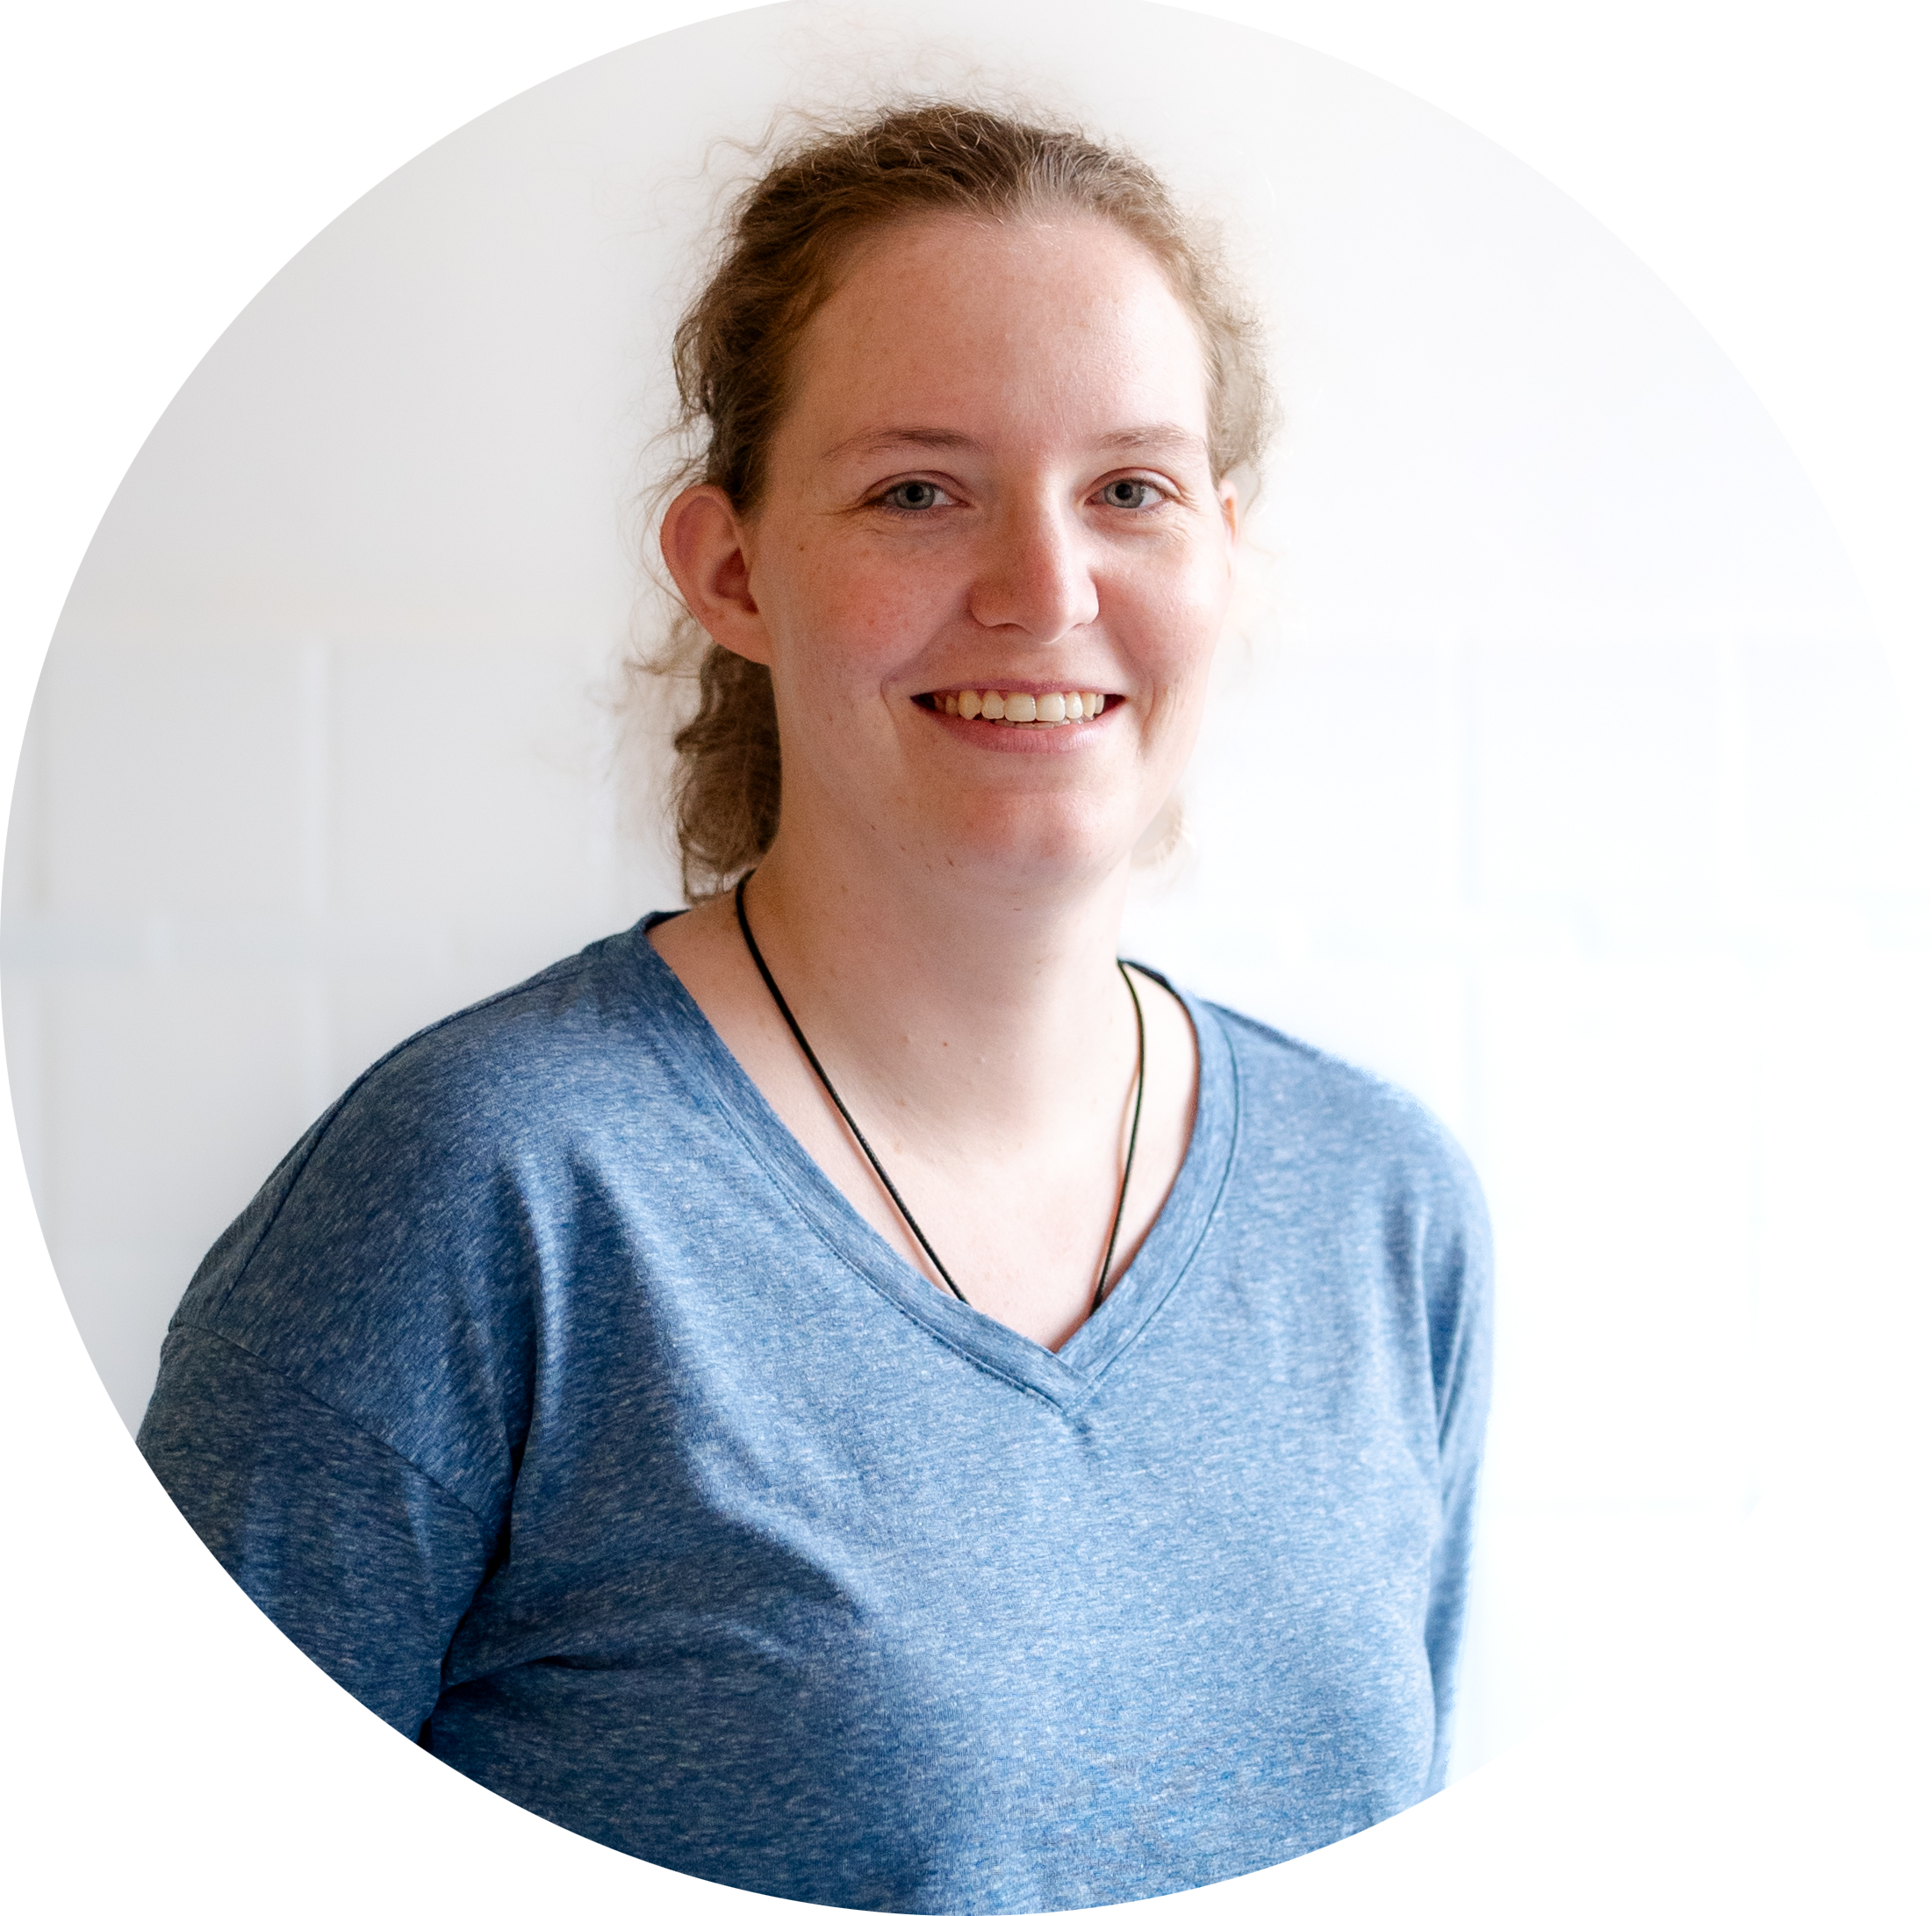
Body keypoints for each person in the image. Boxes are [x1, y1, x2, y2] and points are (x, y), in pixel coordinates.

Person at [138, 103, 1492, 1913]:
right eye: (917, 491)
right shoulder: (494, 1183)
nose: (1044, 590)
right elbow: (161, 1837)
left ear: (1220, 557)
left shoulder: (1377, 1204)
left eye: (1130, 491)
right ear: (732, 569)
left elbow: (1396, 1859)